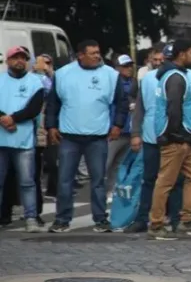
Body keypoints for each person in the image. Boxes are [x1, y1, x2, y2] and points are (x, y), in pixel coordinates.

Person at [46, 39, 128, 233]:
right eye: (92, 53)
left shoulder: (111, 75)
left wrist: (118, 125)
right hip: (69, 136)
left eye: (98, 52)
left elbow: (122, 103)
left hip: (97, 137)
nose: (97, 56)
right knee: (65, 180)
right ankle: (62, 219)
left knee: (98, 181)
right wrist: (51, 126)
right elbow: (53, 103)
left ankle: (100, 219)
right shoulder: (63, 74)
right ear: (80, 55)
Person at [145, 39, 191, 240]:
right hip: (177, 138)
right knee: (166, 182)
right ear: (181, 54)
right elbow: (174, 109)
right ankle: (156, 224)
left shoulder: (174, 74)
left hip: (185, 137)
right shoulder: (176, 78)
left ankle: (187, 220)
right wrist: (176, 135)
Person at [0, 46, 46, 232]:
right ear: (8, 61)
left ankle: (31, 218)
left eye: (23, 58)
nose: (19, 61)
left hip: (24, 141)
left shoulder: (36, 82)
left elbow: (34, 109)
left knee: (27, 183)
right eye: (15, 58)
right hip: (1, 140)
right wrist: (4, 119)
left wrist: (13, 118)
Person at [106, 54, 136, 193]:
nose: (129, 68)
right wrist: (112, 126)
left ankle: (112, 191)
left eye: (130, 65)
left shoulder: (134, 83)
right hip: (115, 130)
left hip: (129, 131)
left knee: (120, 164)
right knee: (106, 163)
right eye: (125, 66)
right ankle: (101, 192)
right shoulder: (112, 84)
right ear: (117, 68)